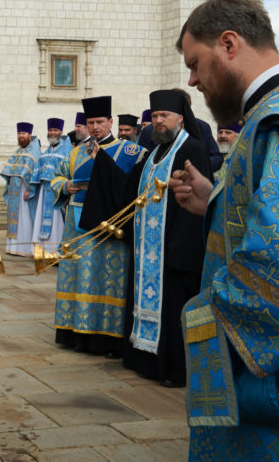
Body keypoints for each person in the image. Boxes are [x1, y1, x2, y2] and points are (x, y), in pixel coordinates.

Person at [169, 0, 279, 458]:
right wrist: (212, 202)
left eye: (196, 63)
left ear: (229, 44)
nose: (193, 80)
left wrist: (203, 317)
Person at [82, 90, 210, 387]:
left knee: (173, 309)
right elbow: (128, 192)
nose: (158, 121)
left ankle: (172, 368)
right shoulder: (153, 154)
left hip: (174, 250)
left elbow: (198, 203)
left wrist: (177, 248)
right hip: (146, 249)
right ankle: (143, 359)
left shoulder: (193, 149)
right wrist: (102, 163)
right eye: (154, 117)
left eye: (164, 116)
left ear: (180, 117)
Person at [50, 95, 144, 354]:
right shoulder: (75, 152)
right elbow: (56, 177)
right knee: (78, 276)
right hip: (75, 224)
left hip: (107, 224)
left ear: (111, 122)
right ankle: (75, 331)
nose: (95, 127)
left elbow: (131, 185)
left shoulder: (129, 151)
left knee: (106, 278)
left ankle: (105, 336)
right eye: (91, 122)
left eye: (100, 122)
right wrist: (66, 186)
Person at [30, 118, 71, 254]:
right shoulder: (46, 151)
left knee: (57, 222)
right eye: (50, 130)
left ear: (61, 132)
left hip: (57, 192)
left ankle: (54, 251)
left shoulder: (67, 150)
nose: (52, 133)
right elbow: (37, 170)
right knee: (40, 219)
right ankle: (41, 251)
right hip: (44, 191)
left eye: (55, 130)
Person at [1, 122, 40, 256]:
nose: (21, 136)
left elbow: (35, 173)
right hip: (14, 192)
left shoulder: (34, 151)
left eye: (23, 133)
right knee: (15, 219)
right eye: (19, 133)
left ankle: (23, 248)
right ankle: (13, 246)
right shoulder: (18, 151)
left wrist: (30, 190)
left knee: (25, 219)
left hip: (24, 190)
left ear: (29, 135)